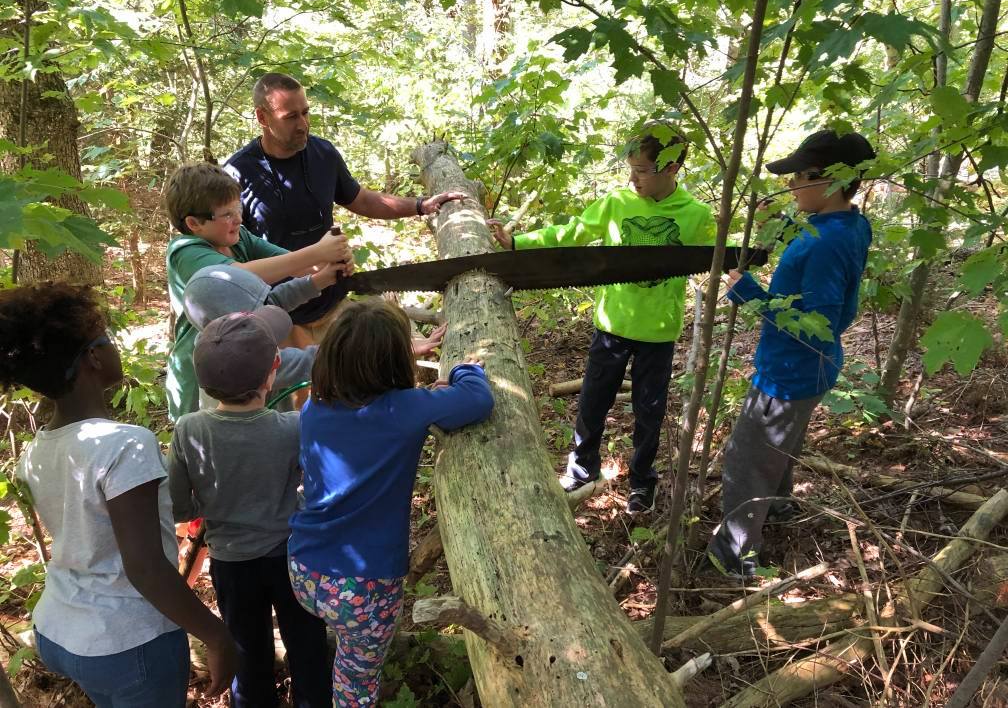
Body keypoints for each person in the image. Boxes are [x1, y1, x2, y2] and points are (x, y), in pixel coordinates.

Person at [1, 282, 237, 707]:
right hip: (127, 642)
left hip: (59, 630)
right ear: (92, 358)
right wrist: (216, 636)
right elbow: (145, 568)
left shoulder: (37, 450)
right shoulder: (125, 444)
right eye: (106, 338)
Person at [490, 127, 716, 515]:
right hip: (611, 327)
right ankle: (582, 472)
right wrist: (521, 243)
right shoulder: (617, 202)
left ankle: (642, 482)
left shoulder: (696, 216)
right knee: (593, 404)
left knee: (649, 412)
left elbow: (721, 256)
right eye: (631, 168)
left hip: (658, 334)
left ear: (672, 168)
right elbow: (575, 231)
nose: (633, 178)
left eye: (642, 170)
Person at [287, 300, 494, 706]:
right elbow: (477, 399)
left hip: (304, 567)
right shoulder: (405, 409)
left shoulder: (314, 407)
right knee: (357, 683)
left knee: (340, 652)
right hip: (365, 587)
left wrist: (425, 398)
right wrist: (464, 370)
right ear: (395, 361)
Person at [705, 129, 875, 578]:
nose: (791, 184)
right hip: (808, 370)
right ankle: (778, 506)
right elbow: (817, 248)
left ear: (832, 181)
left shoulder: (825, 243)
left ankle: (735, 553)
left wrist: (749, 295)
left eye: (800, 177)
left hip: (789, 372)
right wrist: (779, 225)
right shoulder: (850, 224)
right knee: (780, 445)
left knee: (745, 461)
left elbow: (817, 325)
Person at [223, 72, 465, 346]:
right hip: (277, 319)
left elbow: (360, 199)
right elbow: (230, 261)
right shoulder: (237, 174)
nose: (303, 124)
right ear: (262, 117)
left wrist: (421, 206)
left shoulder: (323, 154)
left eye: (306, 113)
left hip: (332, 306)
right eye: (291, 117)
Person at [167, 307, 331, 708]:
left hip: (232, 564)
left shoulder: (189, 429)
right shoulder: (293, 427)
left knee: (248, 656)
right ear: (274, 369)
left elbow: (179, 507)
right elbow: (317, 488)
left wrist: (212, 501)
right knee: (308, 648)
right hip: (291, 558)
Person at [164, 161, 354, 421]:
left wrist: (329, 263)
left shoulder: (238, 237)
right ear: (194, 223)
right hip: (204, 379)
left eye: (238, 208)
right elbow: (235, 275)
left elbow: (293, 263)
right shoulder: (185, 252)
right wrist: (317, 253)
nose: (238, 219)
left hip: (251, 360)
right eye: (227, 214)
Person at [182, 263, 447, 410]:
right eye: (258, 310)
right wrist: (387, 348)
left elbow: (275, 299)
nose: (269, 308)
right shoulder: (242, 362)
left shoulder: (222, 337)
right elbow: (312, 360)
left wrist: (319, 280)